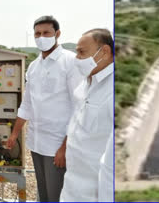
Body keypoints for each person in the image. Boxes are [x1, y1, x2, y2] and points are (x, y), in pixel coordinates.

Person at [6, 15, 82, 202]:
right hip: (37, 142)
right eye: (37, 34)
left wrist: (65, 147)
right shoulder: (33, 67)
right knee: (44, 193)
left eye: (46, 33)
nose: (41, 37)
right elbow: (27, 104)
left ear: (57, 34)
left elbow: (80, 107)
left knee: (57, 195)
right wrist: (15, 134)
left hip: (58, 145)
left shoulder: (70, 62)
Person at [60, 28, 114, 202]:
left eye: (82, 52)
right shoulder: (84, 84)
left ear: (104, 52)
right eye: (77, 53)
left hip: (95, 193)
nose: (77, 59)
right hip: (71, 188)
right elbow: (75, 123)